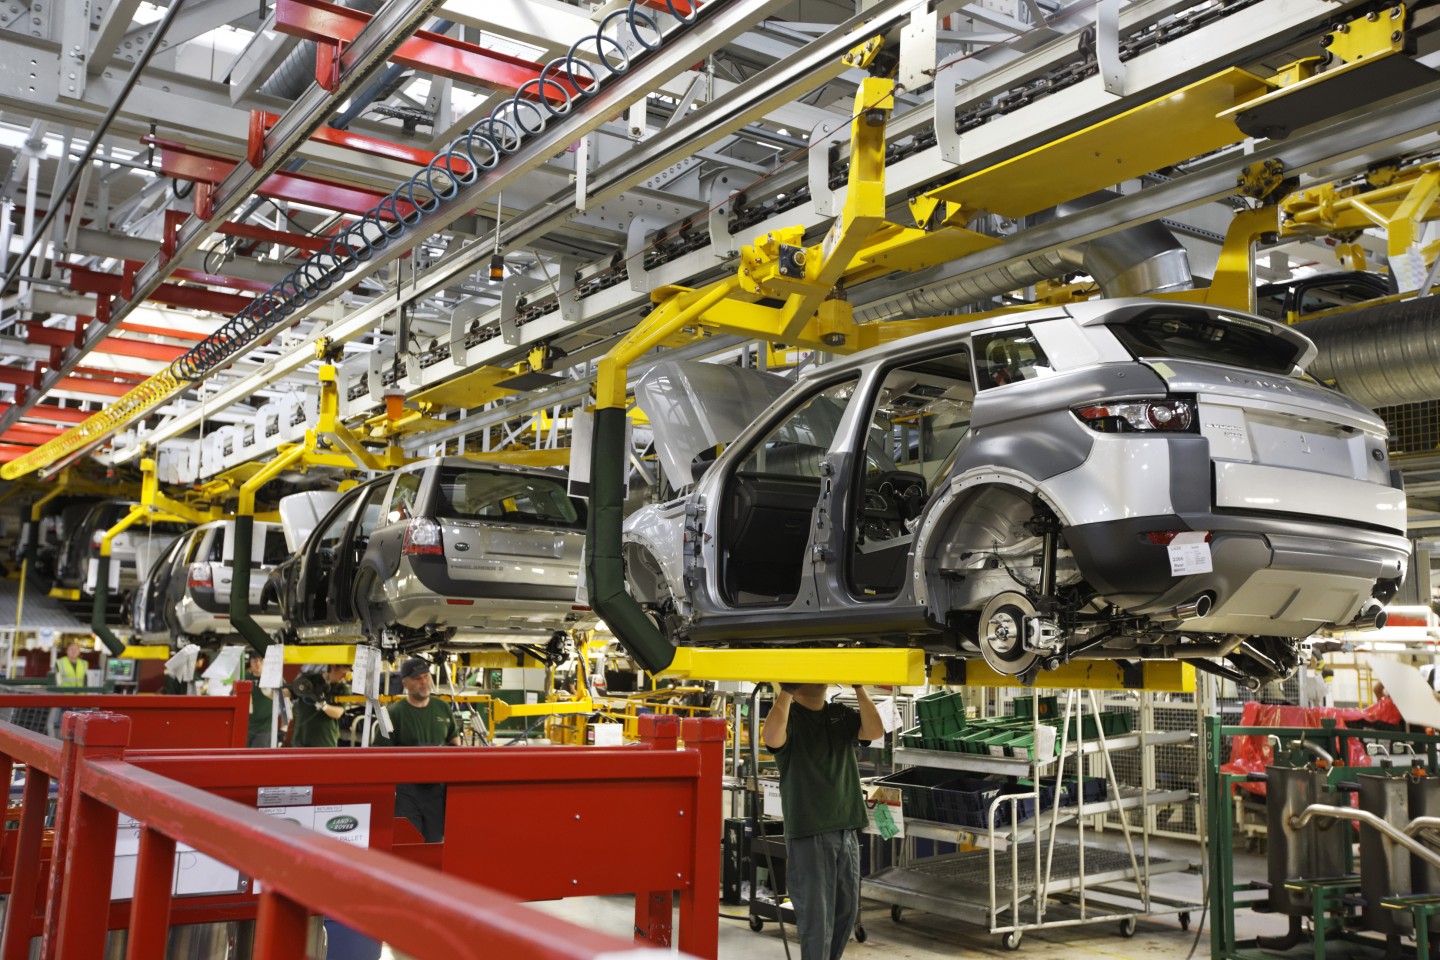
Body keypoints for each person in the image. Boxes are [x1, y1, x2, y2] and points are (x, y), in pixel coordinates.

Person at [761, 683, 884, 960]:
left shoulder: (839, 714)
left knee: (845, 911)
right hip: (809, 831)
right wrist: (785, 692)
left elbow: (874, 731)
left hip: (846, 826)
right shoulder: (788, 717)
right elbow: (771, 738)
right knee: (817, 919)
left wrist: (859, 687)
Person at [373, 658, 459, 842]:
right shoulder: (391, 713)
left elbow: (454, 742)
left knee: (435, 843)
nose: (424, 681)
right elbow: (380, 754)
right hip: (406, 791)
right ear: (405, 683)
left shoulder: (442, 708)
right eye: (417, 678)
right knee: (408, 841)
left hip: (437, 791)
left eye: (426, 676)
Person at [290, 664, 348, 748]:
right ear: (333, 667)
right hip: (301, 739)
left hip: (325, 742)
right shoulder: (308, 679)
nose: (345, 676)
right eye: (343, 672)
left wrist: (323, 705)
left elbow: (338, 713)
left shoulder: (343, 688)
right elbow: (289, 692)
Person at [245, 651, 278, 748]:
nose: (258, 663)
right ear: (250, 662)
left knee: (257, 758)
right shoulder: (246, 679)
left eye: (261, 660)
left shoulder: (273, 679)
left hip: (265, 728)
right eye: (255, 660)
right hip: (247, 727)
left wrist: (283, 729)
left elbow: (286, 699)